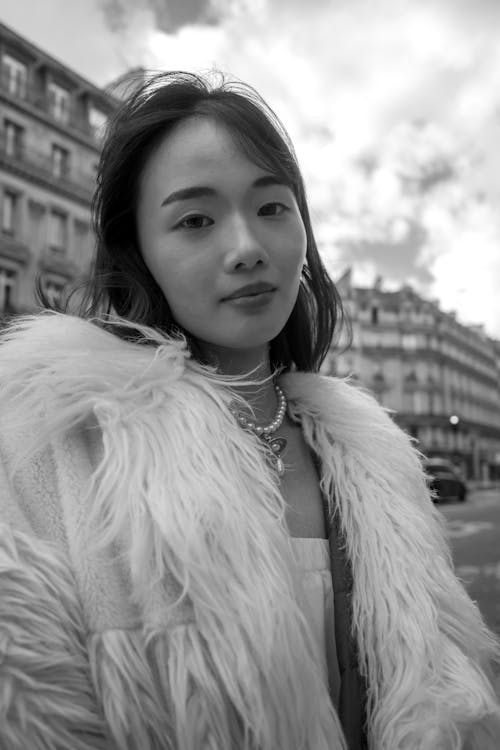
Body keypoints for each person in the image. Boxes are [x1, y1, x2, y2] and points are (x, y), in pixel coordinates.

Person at [0, 71, 499, 750]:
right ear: (137, 250)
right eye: (195, 220)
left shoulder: (377, 460)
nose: (248, 248)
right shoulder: (52, 449)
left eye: (272, 207)